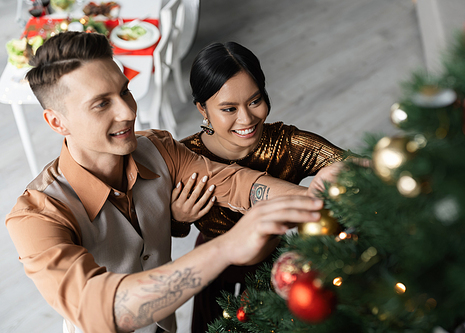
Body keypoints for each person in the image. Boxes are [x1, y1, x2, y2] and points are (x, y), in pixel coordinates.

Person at [5, 32, 341, 333]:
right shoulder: (36, 217)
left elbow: (237, 183)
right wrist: (227, 246)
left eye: (125, 92)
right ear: (56, 121)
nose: (127, 112)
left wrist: (314, 196)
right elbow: (103, 307)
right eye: (102, 103)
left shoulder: (159, 148)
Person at [169, 41, 350, 333]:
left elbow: (354, 167)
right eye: (229, 108)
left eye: (255, 101)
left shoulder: (288, 144)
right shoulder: (183, 158)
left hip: (277, 270)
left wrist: (337, 178)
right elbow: (161, 232)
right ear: (202, 108)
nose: (247, 119)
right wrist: (178, 218)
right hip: (215, 272)